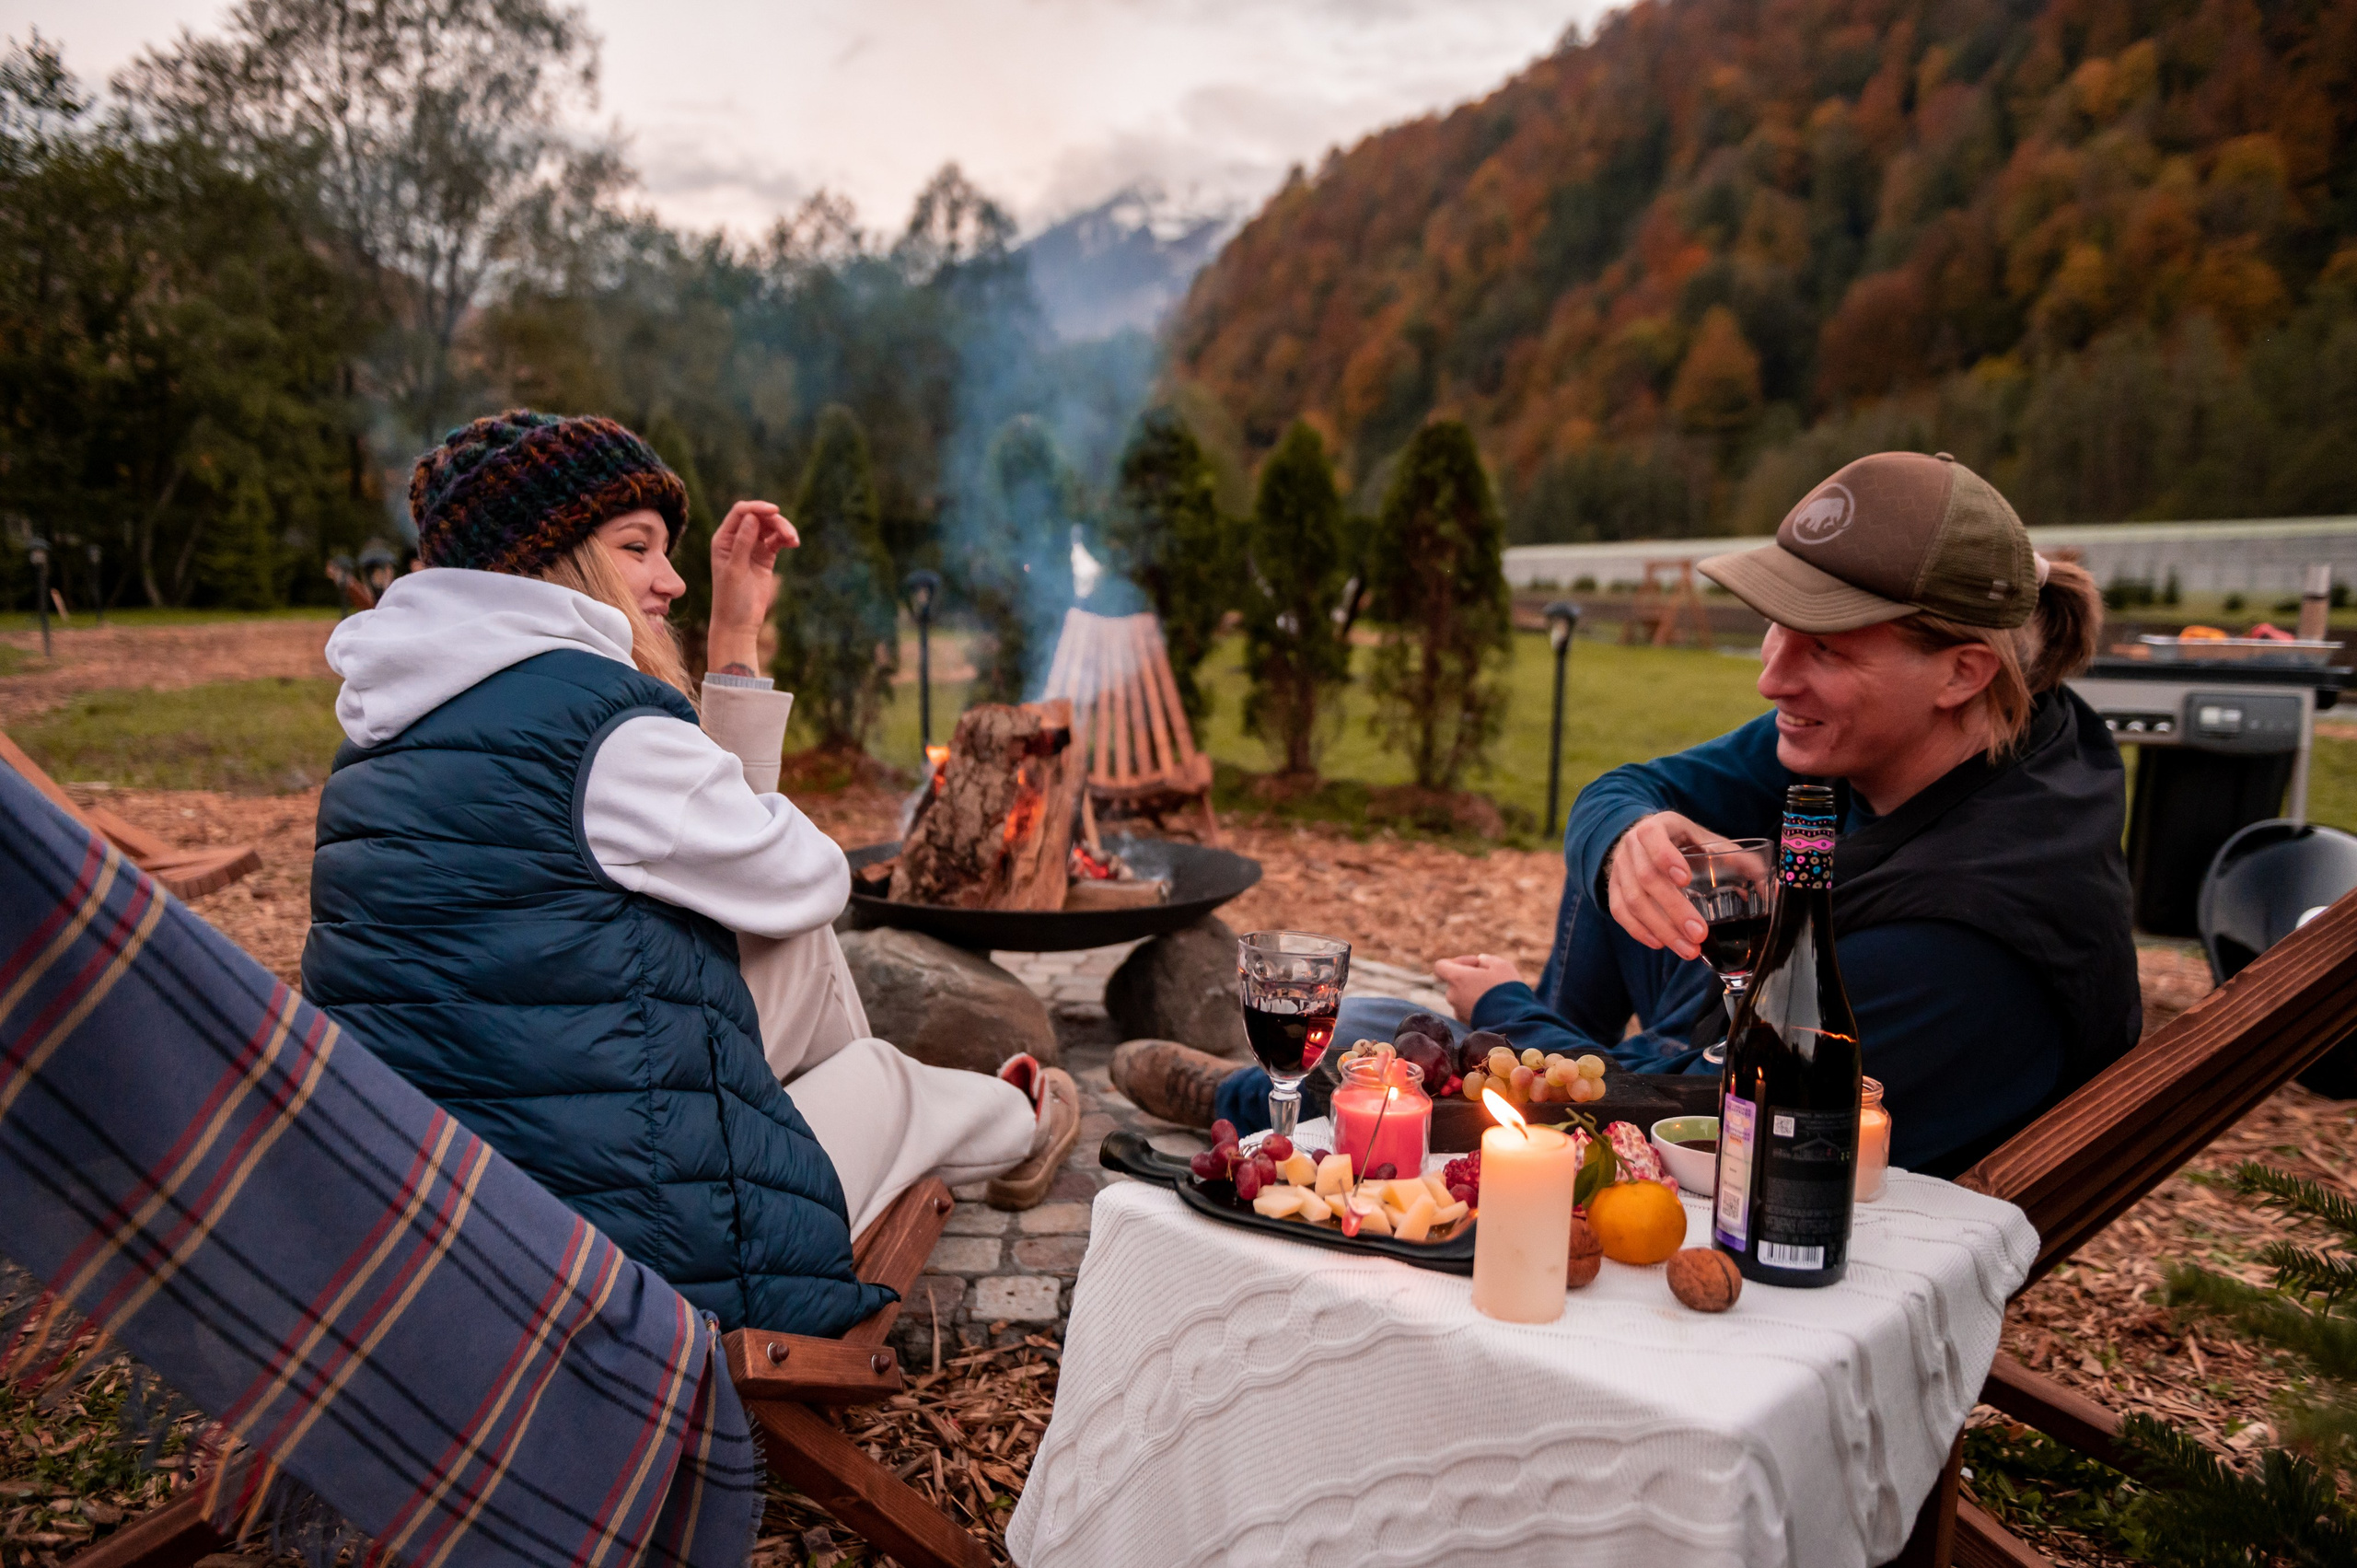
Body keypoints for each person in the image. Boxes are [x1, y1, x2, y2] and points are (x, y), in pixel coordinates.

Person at [1115, 450, 2140, 1179]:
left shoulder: (1964, 940)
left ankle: (1244, 1100)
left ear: (1961, 670)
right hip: (1729, 1043)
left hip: (1782, 1163)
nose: (1770, 676)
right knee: (1640, 841)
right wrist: (1622, 843)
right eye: (1775, 628)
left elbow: (1689, 1116)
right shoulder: (1953, 728)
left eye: (1825, 647)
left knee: (1430, 1036)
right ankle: (1521, 1057)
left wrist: (1510, 1015)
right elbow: (1620, 788)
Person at [302, 410, 1080, 1338]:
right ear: (547, 558)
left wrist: (735, 634)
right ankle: (1019, 1117)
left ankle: (838, 1120)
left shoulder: (384, 730)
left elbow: (734, 867)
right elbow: (806, 873)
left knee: (787, 941)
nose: (669, 578)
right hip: (632, 1251)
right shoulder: (598, 727)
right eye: (637, 547)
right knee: (880, 1070)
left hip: (456, 1218)